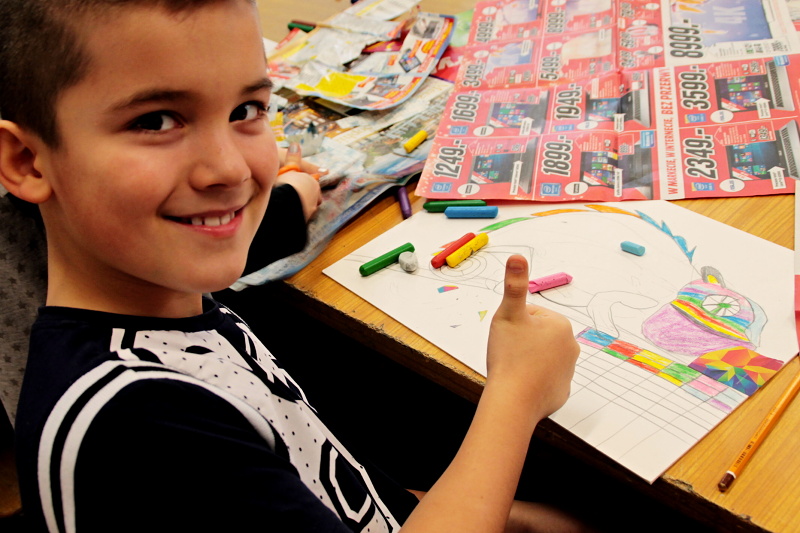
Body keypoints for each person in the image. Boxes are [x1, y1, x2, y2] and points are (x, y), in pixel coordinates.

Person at [0, 0, 583, 531]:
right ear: (27, 161)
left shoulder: (177, 308)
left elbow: (324, 487)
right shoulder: (135, 427)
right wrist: (515, 396)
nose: (230, 169)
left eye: (247, 109)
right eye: (156, 121)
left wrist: (497, 512)